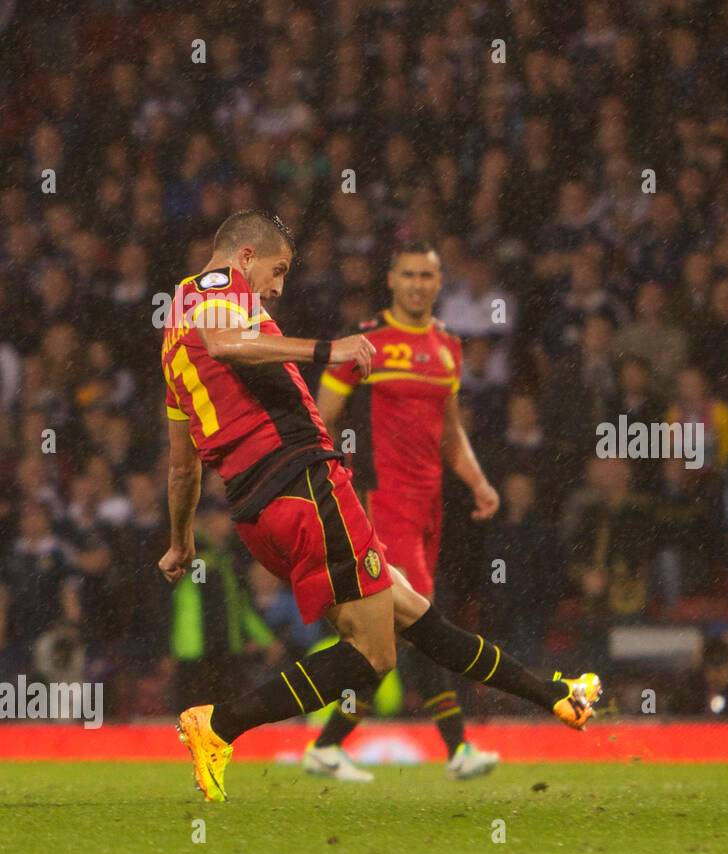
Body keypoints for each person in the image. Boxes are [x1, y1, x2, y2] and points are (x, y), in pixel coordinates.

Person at [158, 210, 600, 802]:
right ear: (243, 257)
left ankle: (556, 696)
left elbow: (183, 466)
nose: (278, 288)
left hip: (257, 510)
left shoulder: (172, 348)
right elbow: (226, 341)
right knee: (373, 653)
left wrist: (181, 540)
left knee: (418, 620)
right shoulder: (216, 290)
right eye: (277, 270)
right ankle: (220, 726)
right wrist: (329, 349)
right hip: (303, 482)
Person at [302, 241, 502, 782]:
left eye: (427, 276)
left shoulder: (448, 349)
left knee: (391, 637)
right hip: (385, 504)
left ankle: (328, 743)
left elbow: (451, 431)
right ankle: (459, 748)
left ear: (439, 284)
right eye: (408, 274)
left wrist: (478, 482)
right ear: (391, 280)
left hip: (430, 507)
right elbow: (322, 417)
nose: (417, 283)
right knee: (423, 624)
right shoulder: (366, 345)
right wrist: (325, 485)